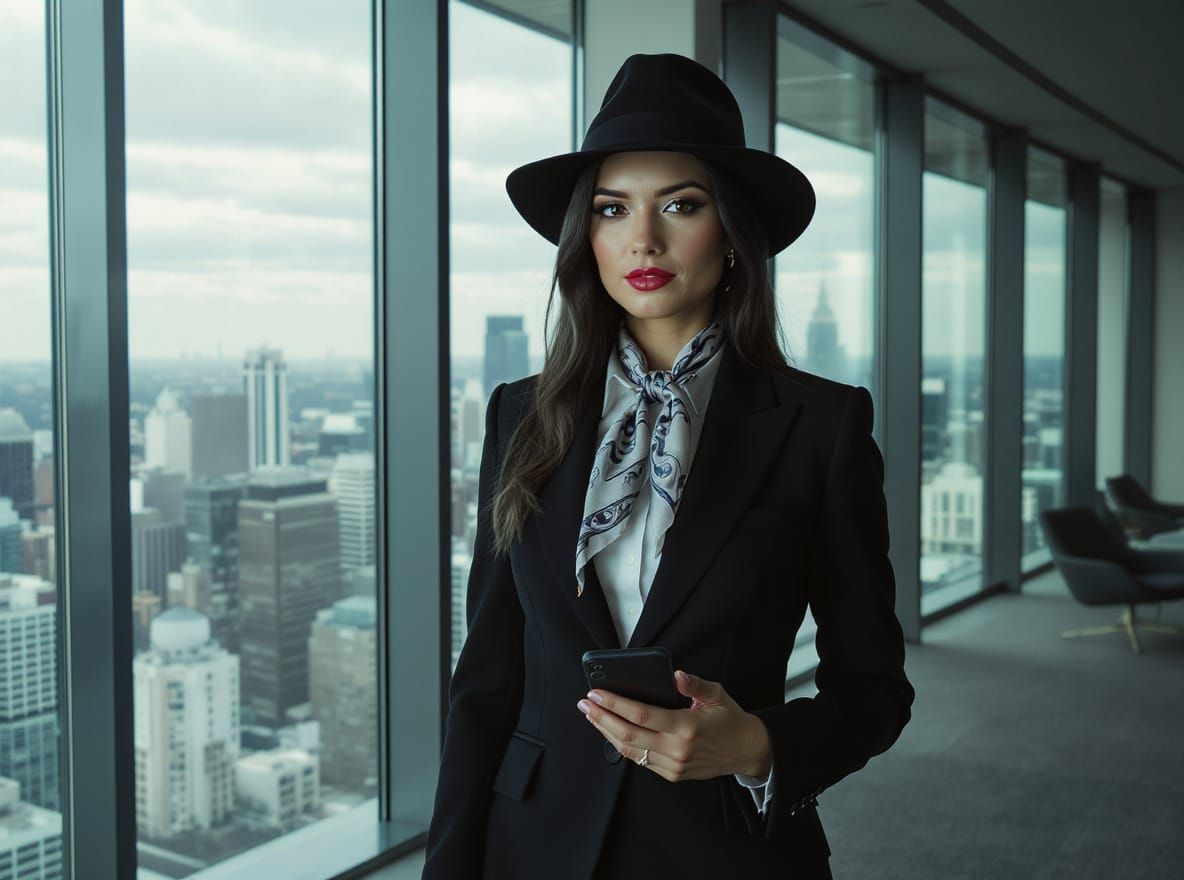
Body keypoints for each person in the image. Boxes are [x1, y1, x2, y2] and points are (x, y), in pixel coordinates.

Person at [422, 52, 914, 880]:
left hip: (722, 848)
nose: (642, 239)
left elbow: (875, 689)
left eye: (681, 205)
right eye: (613, 209)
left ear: (732, 233)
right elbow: (487, 680)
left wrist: (755, 745)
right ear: (588, 236)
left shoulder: (820, 425)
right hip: (533, 846)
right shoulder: (521, 412)